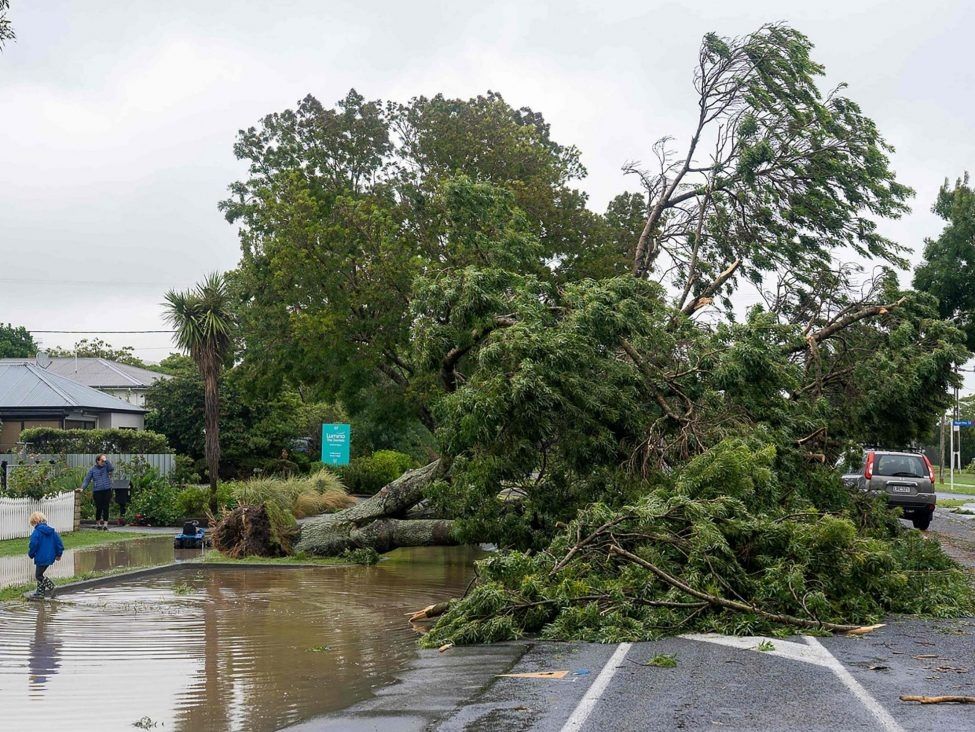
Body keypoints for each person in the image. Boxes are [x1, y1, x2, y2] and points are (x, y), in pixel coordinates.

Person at [27, 511, 63, 599]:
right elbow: (59, 544)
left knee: (38, 576)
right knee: (40, 574)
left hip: (41, 557)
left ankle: (52, 587)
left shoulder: (36, 532)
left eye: (33, 524)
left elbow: (33, 545)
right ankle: (40, 593)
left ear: (35, 522)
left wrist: (31, 554)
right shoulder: (52, 532)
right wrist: (59, 554)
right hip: (50, 557)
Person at [81, 454, 114, 530]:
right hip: (97, 491)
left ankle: (105, 525)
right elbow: (87, 480)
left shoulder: (106, 467)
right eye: (101, 461)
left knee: (106, 507)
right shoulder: (92, 470)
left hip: (107, 490)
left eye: (104, 461)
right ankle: (98, 524)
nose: (103, 462)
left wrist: (106, 460)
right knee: (99, 507)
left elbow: (111, 469)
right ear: (97, 461)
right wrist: (82, 488)